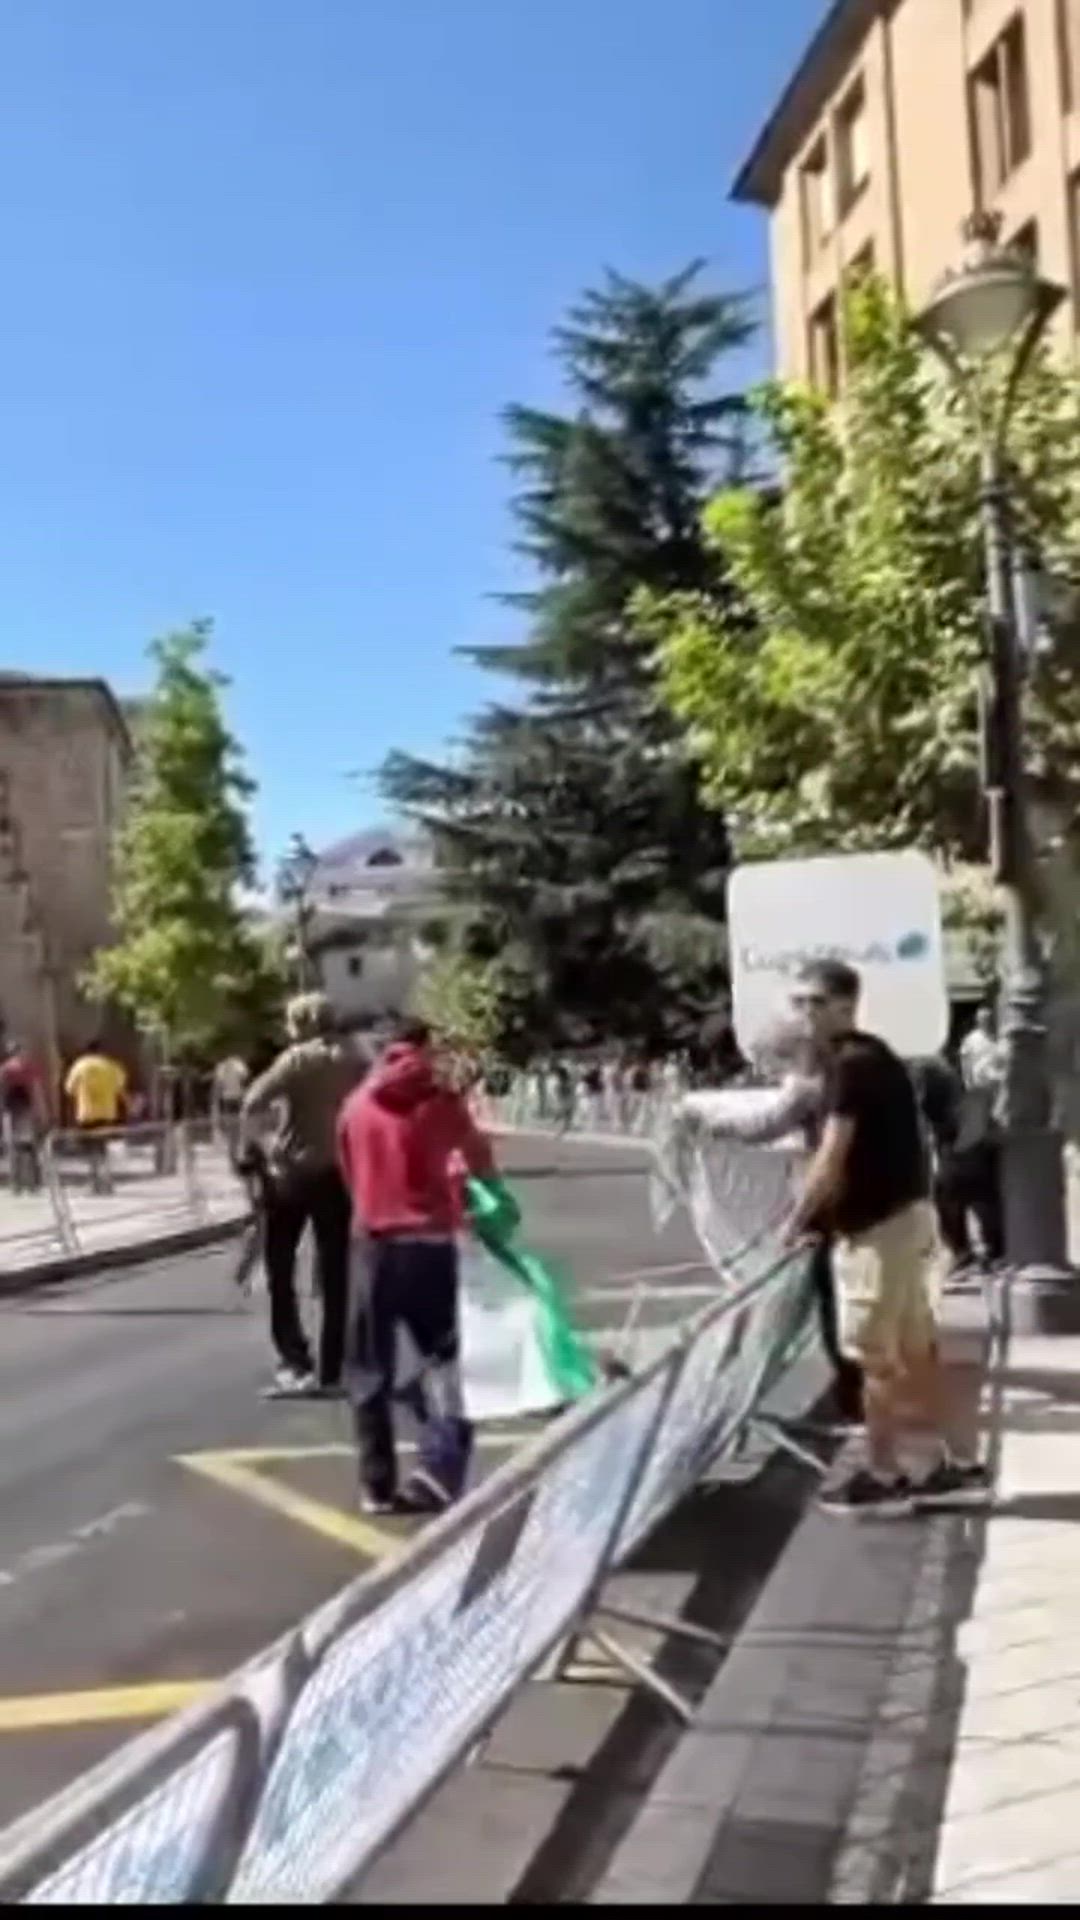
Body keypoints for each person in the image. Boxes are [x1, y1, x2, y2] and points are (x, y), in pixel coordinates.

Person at [787, 959, 988, 1516]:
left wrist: (798, 1220)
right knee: (917, 1352)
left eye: (816, 1002)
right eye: (797, 1003)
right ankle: (963, 1466)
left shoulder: (849, 1067)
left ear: (847, 1004)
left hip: (877, 1233)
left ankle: (885, 1479)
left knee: (875, 1357)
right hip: (907, 1220)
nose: (804, 1015)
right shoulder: (877, 1057)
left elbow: (831, 1156)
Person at [337, 1017, 497, 1515]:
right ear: (423, 1049)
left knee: (369, 1367)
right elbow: (479, 1159)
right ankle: (439, 1469)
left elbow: (348, 1170)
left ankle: (376, 1486)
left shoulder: (355, 1105)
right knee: (449, 1363)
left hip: (374, 1243)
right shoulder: (442, 1101)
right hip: (431, 1244)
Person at [674, 1019, 863, 1422]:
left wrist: (704, 1124)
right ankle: (855, 1390)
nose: (771, 1072)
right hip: (860, 1197)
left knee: (834, 1299)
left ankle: (854, 1395)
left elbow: (765, 1125)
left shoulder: (809, 1085)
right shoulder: (840, 1075)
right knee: (842, 1297)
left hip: (833, 1202)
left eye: (775, 1061)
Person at [241, 993, 363, 1398]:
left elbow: (253, 1101)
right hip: (340, 1174)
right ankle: (333, 1369)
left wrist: (264, 1144)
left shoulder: (296, 1059)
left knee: (281, 1267)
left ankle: (295, 1359)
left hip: (291, 1173)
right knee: (335, 1272)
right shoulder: (358, 1059)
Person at [65, 1037, 127, 1194]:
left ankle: (94, 1182)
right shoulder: (111, 1066)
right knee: (104, 1148)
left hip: (86, 1113)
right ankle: (108, 1181)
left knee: (91, 1149)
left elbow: (69, 1089)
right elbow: (120, 1087)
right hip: (107, 1113)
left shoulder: (79, 1066)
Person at [0, 1039, 47, 1193]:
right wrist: (42, 1112)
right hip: (27, 1110)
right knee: (30, 1147)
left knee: (13, 1148)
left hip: (11, 1112)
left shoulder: (5, 1069)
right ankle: (34, 1183)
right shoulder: (30, 1068)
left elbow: (1, 1092)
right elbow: (37, 1091)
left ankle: (17, 1184)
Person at [212, 1053, 250, 1155]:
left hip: (229, 1098)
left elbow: (218, 1085)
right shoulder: (239, 1065)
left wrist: (216, 1099)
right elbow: (245, 1080)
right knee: (240, 1123)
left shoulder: (222, 1067)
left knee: (232, 1124)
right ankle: (236, 1148)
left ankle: (233, 1148)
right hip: (237, 1097)